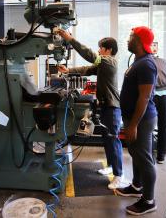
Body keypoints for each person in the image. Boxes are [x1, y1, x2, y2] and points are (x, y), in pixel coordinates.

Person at [56, 29, 126, 190]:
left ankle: (119, 175)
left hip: (113, 107)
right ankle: (111, 166)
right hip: (106, 106)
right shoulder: (103, 64)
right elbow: (88, 69)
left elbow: (90, 55)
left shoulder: (110, 62)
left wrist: (71, 39)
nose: (99, 51)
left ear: (108, 50)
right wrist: (69, 71)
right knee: (108, 140)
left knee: (113, 140)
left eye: (101, 48)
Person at [115, 26, 158, 216]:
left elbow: (144, 97)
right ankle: (137, 185)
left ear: (140, 41)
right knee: (136, 153)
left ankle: (148, 200)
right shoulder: (138, 61)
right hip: (133, 117)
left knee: (144, 158)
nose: (128, 39)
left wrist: (133, 125)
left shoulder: (147, 64)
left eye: (131, 36)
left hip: (142, 119)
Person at [151, 42, 166, 164]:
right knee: (162, 125)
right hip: (164, 95)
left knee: (149, 124)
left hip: (153, 95)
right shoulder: (164, 62)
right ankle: (160, 156)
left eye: (154, 45)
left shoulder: (144, 62)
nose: (153, 48)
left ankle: (152, 154)